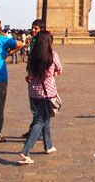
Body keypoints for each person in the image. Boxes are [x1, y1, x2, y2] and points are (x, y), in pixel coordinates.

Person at [18, 31, 62, 164]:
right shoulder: (52, 55)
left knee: (45, 118)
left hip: (33, 92)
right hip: (47, 93)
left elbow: (29, 74)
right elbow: (59, 69)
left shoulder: (32, 56)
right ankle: (26, 151)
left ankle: (48, 146)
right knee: (40, 121)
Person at [22, 19, 46, 139]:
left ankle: (37, 132)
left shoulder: (42, 43)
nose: (33, 30)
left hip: (38, 78)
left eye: (36, 28)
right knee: (35, 106)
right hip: (32, 76)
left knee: (37, 106)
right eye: (33, 28)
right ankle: (34, 129)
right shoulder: (33, 41)